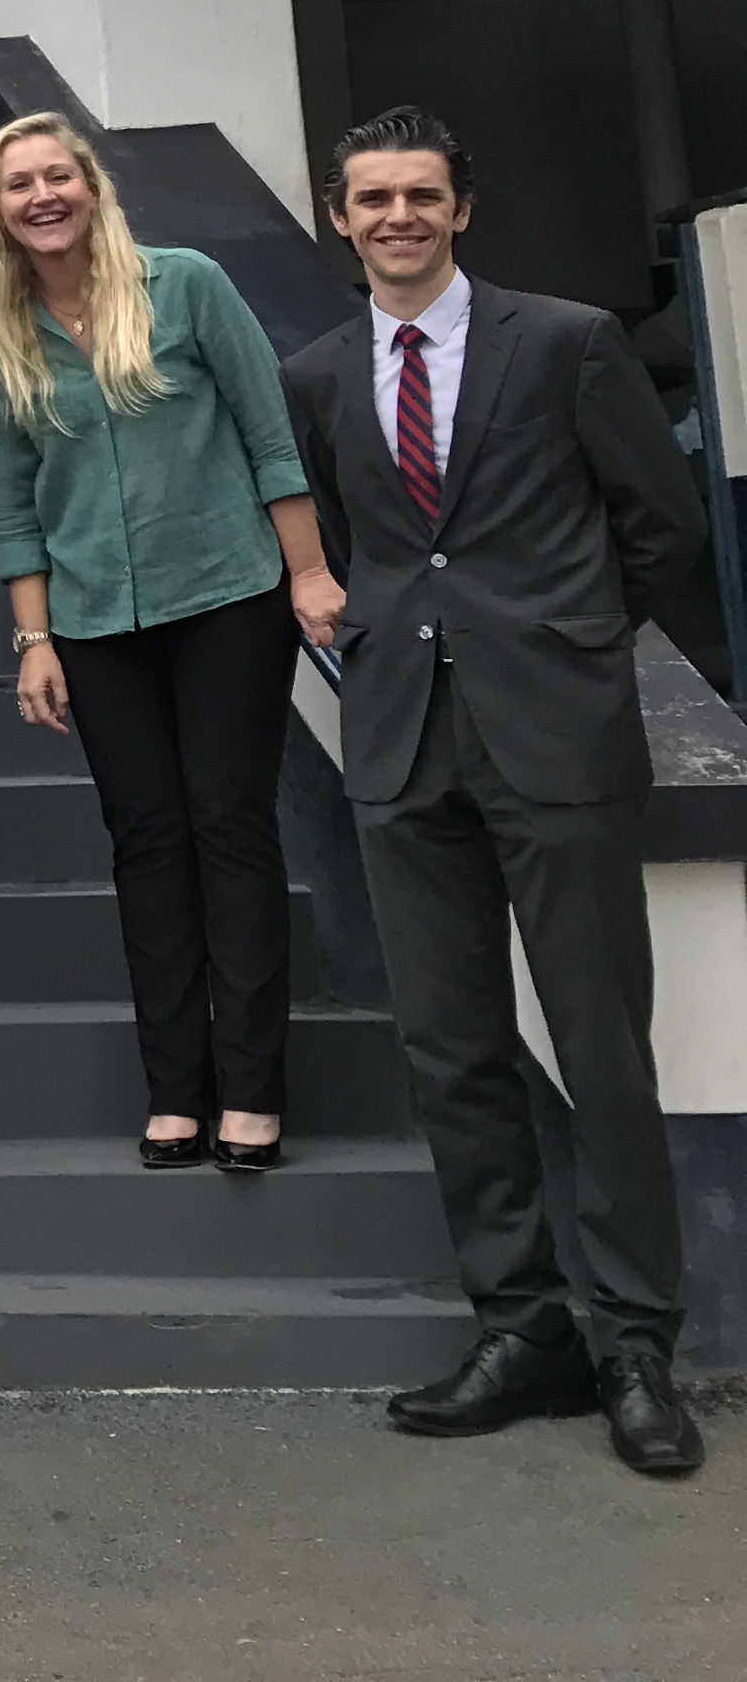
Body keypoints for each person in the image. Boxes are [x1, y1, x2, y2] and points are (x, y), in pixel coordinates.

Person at [283, 107, 711, 1476]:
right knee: (452, 1053)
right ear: (337, 217)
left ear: (461, 207)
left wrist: (567, 640)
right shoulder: (319, 374)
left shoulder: (569, 343)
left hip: (557, 738)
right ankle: (521, 1326)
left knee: (600, 1047)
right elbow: (353, 547)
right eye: (372, 198)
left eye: (421, 195)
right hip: (405, 748)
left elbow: (662, 525)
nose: (397, 216)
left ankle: (636, 1343)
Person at [0, 113, 339, 1178]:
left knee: (229, 824)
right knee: (146, 840)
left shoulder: (187, 284)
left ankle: (254, 1090)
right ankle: (176, 1088)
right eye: (17, 183)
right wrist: (32, 638)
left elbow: (271, 435)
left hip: (226, 592)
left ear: (91, 185)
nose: (42, 196)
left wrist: (308, 572)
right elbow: (13, 509)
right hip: (92, 619)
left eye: (57, 176)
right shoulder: (0, 337)